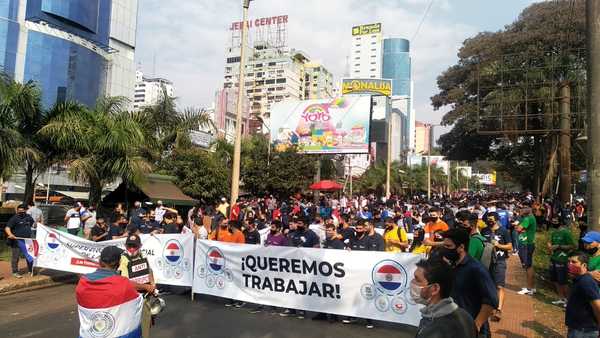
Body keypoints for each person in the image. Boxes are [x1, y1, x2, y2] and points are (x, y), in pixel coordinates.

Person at [441, 228, 498, 337]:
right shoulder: (451, 265)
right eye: (444, 246)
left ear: (461, 247)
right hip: (453, 327)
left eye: (449, 247)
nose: (445, 250)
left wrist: (476, 325)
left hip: (472, 330)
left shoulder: (476, 269)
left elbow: (491, 300)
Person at [76, 246, 143, 338]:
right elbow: (136, 302)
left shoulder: (82, 283)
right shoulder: (123, 284)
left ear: (100, 261)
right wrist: (146, 287)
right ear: (119, 263)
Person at [413, 258, 477, 338]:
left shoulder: (435, 329)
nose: (412, 282)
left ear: (435, 289)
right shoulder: (466, 316)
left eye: (417, 279)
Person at [118, 234, 155, 338]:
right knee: (132, 330)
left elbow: (149, 270)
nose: (132, 249)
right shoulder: (124, 260)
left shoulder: (142, 256)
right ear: (125, 246)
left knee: (146, 326)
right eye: (129, 246)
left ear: (140, 246)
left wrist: (152, 283)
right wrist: (145, 287)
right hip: (131, 302)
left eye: (135, 246)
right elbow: (126, 283)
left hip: (145, 299)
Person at [481, 212, 512, 322]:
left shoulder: (504, 231)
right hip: (486, 261)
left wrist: (498, 245)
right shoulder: (484, 231)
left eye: (491, 219)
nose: (489, 221)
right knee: (487, 285)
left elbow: (510, 247)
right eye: (488, 219)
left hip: (499, 261)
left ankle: (498, 309)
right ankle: (487, 307)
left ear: (497, 219)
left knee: (499, 286)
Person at [565, 252, 600, 338]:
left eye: (573, 262)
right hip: (577, 328)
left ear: (584, 265)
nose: (570, 264)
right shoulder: (578, 279)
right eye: (568, 262)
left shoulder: (586, 282)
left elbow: (598, 306)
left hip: (583, 330)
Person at [547, 217, 576, 307]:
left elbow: (572, 246)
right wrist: (550, 247)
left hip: (562, 260)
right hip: (553, 258)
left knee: (563, 281)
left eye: (555, 221)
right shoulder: (554, 232)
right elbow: (551, 244)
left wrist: (559, 246)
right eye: (552, 221)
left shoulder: (566, 233)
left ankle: (568, 300)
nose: (553, 223)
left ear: (560, 222)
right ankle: (561, 298)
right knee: (555, 280)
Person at [4, 204, 35, 278]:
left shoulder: (28, 217)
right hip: (16, 241)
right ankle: (15, 272)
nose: (20, 212)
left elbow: (32, 224)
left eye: (22, 211)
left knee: (30, 256)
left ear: (25, 210)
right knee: (16, 257)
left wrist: (37, 225)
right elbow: (7, 228)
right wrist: (10, 234)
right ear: (17, 211)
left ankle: (30, 270)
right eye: (19, 211)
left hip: (27, 241)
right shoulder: (14, 218)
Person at [516, 206, 537, 295]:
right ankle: (531, 287)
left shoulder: (527, 219)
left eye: (521, 209)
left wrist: (518, 227)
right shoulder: (530, 218)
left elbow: (518, 228)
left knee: (527, 266)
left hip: (526, 244)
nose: (520, 211)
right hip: (528, 244)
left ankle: (529, 288)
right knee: (529, 265)